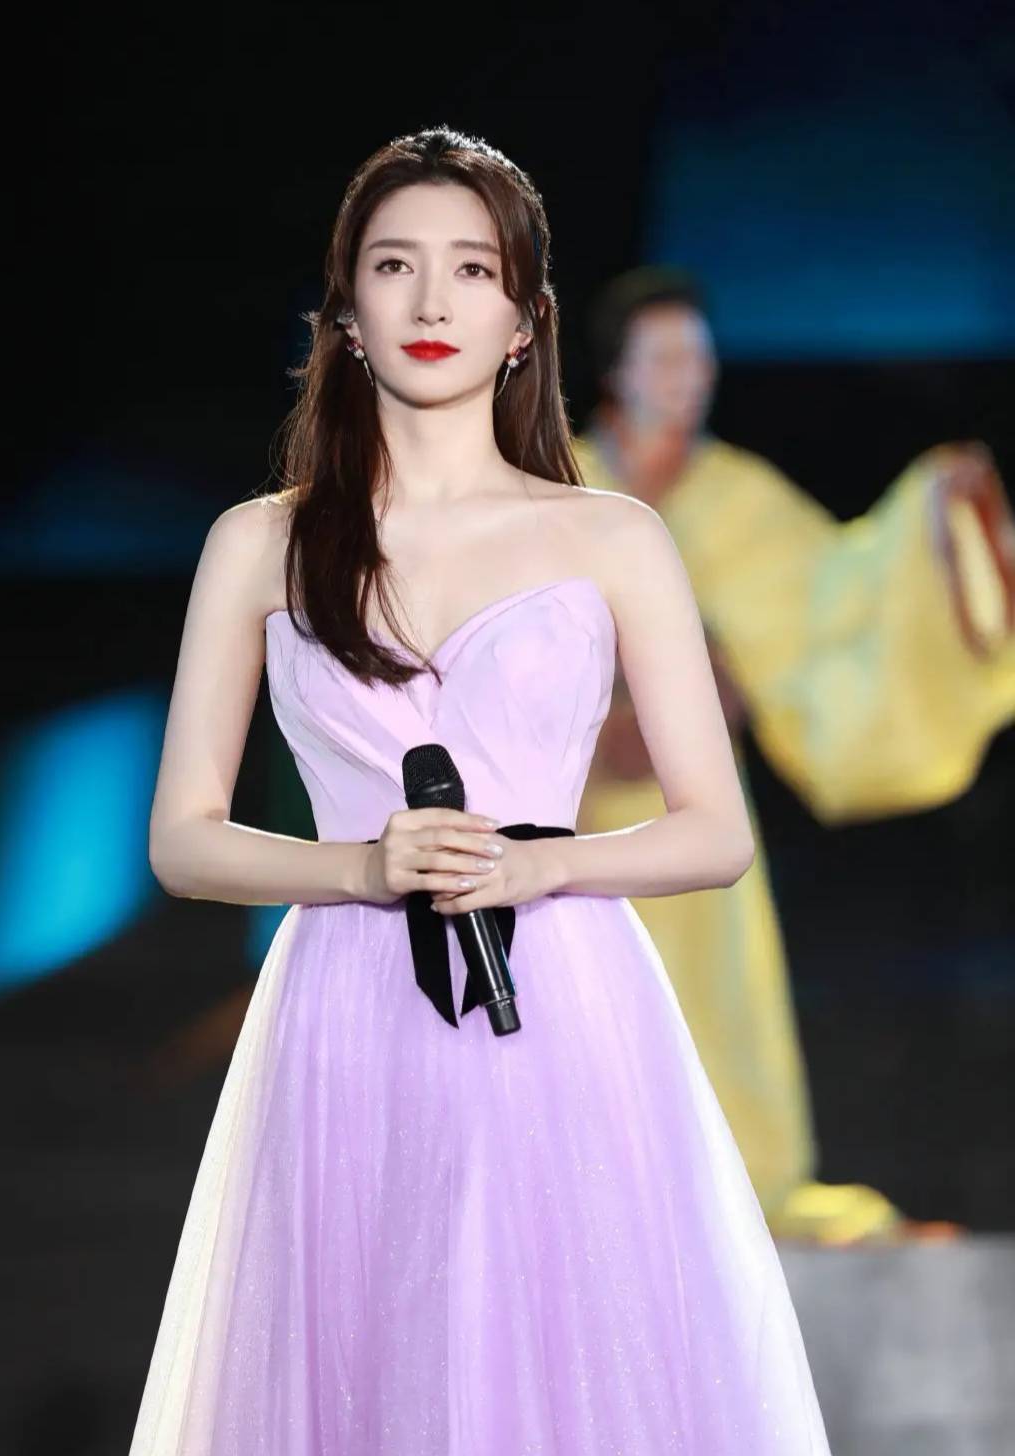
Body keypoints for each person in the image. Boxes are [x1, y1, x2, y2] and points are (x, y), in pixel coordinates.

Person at [131, 129, 831, 1454]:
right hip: (345, 1006)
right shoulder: (259, 543)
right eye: (395, 265)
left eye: (472, 269)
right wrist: (358, 868)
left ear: (526, 321)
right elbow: (182, 839)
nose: (433, 300)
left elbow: (717, 829)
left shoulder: (611, 536)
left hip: (563, 998)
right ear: (347, 311)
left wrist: (542, 862)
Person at [573, 266, 1015, 1242]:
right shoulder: (557, 482)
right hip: (565, 818)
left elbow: (838, 597)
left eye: (700, 359)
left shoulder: (738, 499)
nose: (689, 378)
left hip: (692, 816)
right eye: (667, 359)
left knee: (710, 1025)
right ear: (618, 371)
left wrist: (929, 522)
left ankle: (719, 1210)